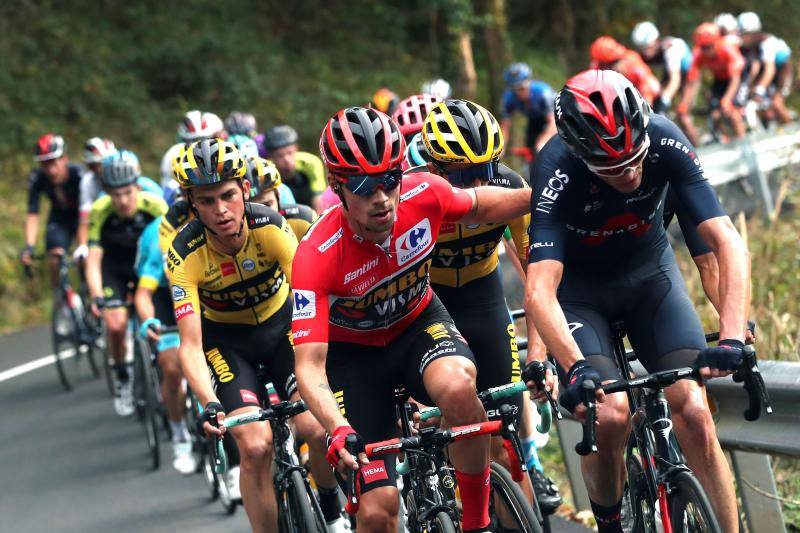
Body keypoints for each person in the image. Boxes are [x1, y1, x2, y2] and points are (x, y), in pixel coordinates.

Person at [524, 69, 749, 533]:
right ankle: (610, 520)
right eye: (610, 167)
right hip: (581, 295)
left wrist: (731, 334)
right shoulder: (554, 167)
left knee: (694, 413)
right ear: (581, 155)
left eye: (634, 158)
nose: (627, 172)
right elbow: (539, 288)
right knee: (610, 416)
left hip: (651, 280)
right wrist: (572, 365)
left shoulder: (666, 139)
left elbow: (726, 243)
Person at [291, 106, 532, 532]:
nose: (382, 197)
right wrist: (336, 428)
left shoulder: (424, 194)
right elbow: (309, 366)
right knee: (378, 511)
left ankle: (476, 522)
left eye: (389, 179)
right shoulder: (315, 256)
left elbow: (482, 204)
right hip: (355, 359)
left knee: (460, 389)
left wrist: (549, 194)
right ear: (337, 186)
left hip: (417, 325)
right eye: (365, 187)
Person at [166, 139, 345, 533]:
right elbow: (191, 345)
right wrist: (208, 403)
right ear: (192, 203)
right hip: (228, 346)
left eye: (228, 195)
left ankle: (332, 512)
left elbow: (311, 297)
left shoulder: (272, 227)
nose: (221, 210)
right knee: (255, 446)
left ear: (245, 190)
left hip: (283, 330)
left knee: (316, 427)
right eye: (207, 200)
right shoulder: (184, 252)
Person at [420, 99, 562, 513]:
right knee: (446, 423)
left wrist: (538, 353)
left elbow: (536, 276)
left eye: (484, 171)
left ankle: (519, 502)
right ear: (434, 169)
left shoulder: (508, 186)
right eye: (463, 176)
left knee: (505, 438)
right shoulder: (415, 199)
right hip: (430, 306)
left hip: (484, 298)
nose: (477, 186)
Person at [86, 150, 168, 416]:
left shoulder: (154, 203)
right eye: (116, 194)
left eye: (128, 192)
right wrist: (96, 295)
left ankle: (160, 366)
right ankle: (123, 375)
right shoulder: (100, 211)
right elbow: (94, 259)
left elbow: (172, 248)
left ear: (137, 185)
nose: (123, 200)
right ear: (107, 191)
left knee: (156, 318)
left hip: (147, 266)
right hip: (115, 269)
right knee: (116, 325)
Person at [134, 214, 196, 474]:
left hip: (197, 301)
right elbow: (143, 293)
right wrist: (149, 320)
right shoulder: (160, 245)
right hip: (165, 306)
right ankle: (179, 434)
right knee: (171, 368)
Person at [21, 134, 90, 288]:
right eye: (45, 165)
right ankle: (59, 297)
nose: (51, 170)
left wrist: (82, 244)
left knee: (84, 258)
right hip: (60, 218)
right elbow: (33, 213)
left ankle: (89, 293)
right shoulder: (38, 178)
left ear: (65, 159)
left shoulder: (79, 175)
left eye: (54, 163)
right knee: (54, 258)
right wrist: (29, 248)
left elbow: (86, 212)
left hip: (83, 217)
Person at [679, 23, 747, 145]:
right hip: (720, 80)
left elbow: (735, 78)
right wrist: (685, 102)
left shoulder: (727, 49)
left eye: (709, 46)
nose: (707, 51)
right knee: (715, 116)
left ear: (717, 41)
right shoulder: (698, 54)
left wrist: (727, 99)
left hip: (737, 79)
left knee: (733, 113)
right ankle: (729, 142)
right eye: (703, 47)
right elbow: (692, 80)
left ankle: (744, 145)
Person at [738, 11, 793, 124]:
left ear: (754, 33)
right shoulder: (752, 46)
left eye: (745, 34)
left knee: (776, 103)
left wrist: (759, 90)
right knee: (764, 107)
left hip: (783, 73)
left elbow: (769, 70)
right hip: (772, 74)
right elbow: (755, 68)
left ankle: (792, 130)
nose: (743, 38)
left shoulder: (767, 43)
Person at [499, 62, 557, 167]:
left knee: (542, 147)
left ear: (529, 82)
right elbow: (505, 126)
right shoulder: (509, 97)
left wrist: (542, 142)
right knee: (531, 154)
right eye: (514, 89)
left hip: (555, 119)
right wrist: (500, 148)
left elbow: (553, 123)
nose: (519, 93)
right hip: (534, 120)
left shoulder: (543, 93)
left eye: (521, 88)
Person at [245, 156, 316, 240]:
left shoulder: (305, 219)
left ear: (278, 197)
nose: (262, 214)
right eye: (252, 208)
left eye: (267, 205)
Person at [630, 22, 693, 115]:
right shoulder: (642, 54)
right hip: (669, 71)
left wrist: (664, 101)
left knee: (683, 113)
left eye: (649, 48)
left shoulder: (670, 50)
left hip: (689, 73)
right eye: (642, 49)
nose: (646, 53)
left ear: (656, 41)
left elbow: (675, 81)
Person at [260, 125, 326, 213]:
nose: (286, 160)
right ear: (270, 157)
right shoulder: (265, 171)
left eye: (290, 152)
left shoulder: (310, 163)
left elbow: (319, 198)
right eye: (280, 155)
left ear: (296, 149)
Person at [159, 110, 225, 190]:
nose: (197, 146)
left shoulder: (172, 153)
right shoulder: (173, 154)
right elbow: (168, 186)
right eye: (192, 141)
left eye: (205, 140)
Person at [589, 37, 661, 105]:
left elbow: (646, 85)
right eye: (603, 65)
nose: (608, 68)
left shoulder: (632, 61)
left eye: (612, 64)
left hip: (646, 95)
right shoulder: (597, 67)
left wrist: (648, 110)